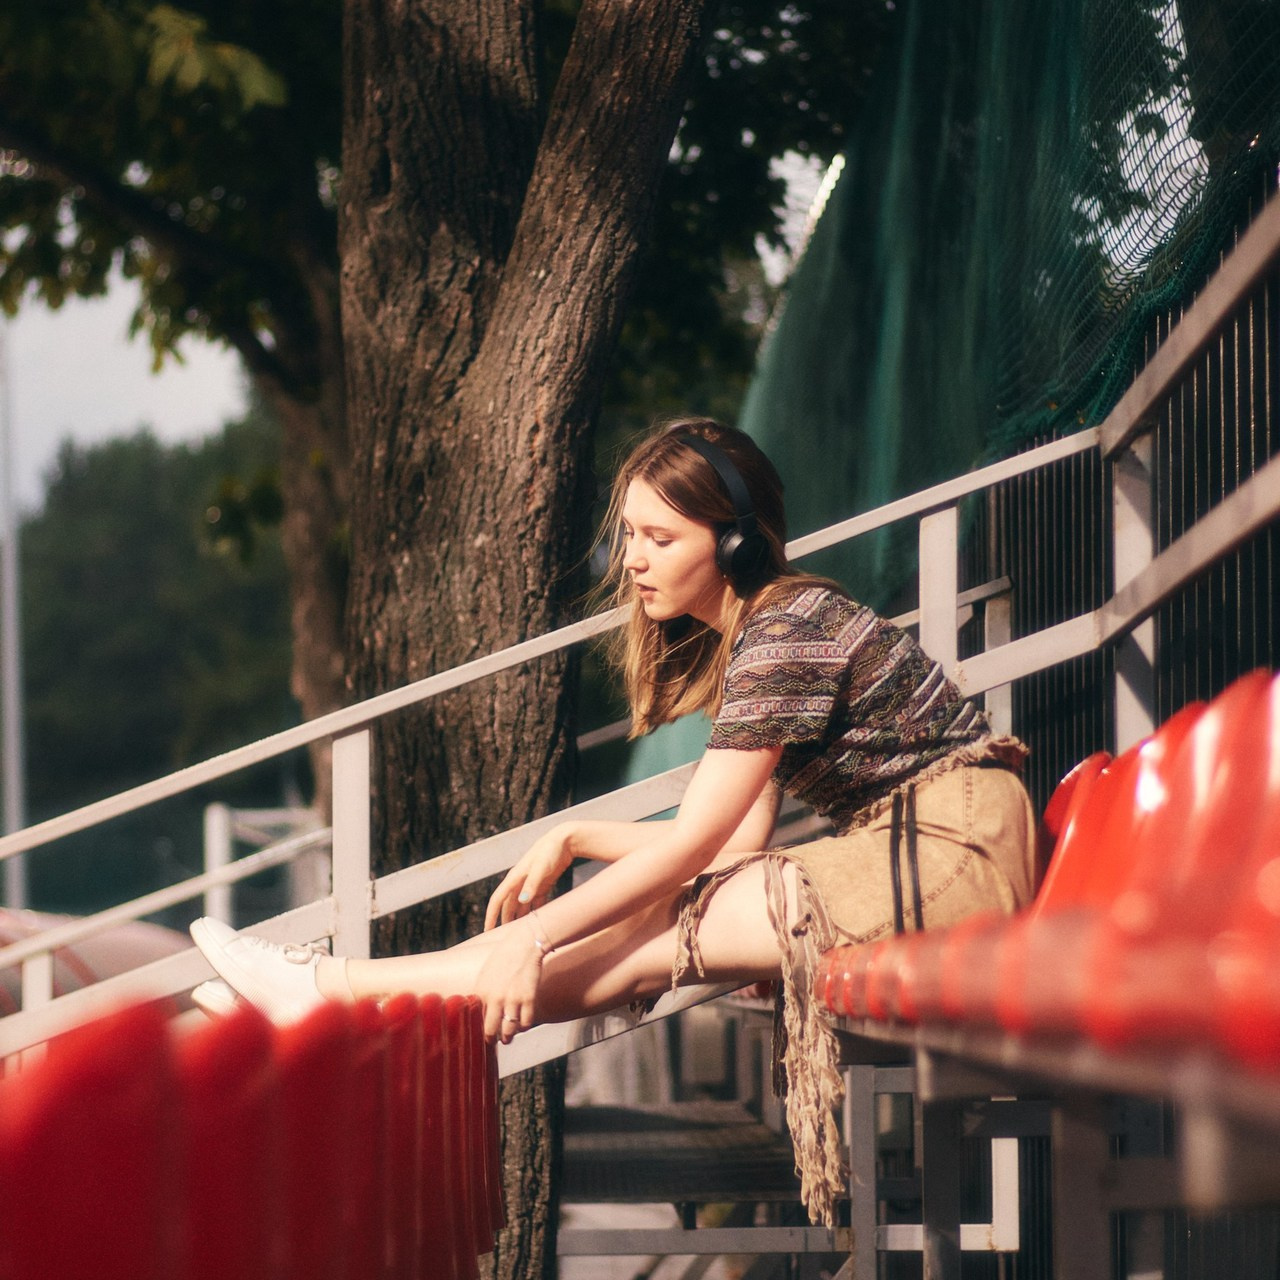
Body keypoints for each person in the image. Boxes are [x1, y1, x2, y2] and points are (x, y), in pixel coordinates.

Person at [189, 418, 1037, 1225]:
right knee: (655, 919)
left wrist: (533, 938)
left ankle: (341, 999)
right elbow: (739, 839)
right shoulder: (766, 631)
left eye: (660, 539)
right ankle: (350, 1007)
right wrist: (576, 836)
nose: (632, 561)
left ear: (734, 542)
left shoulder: (786, 630)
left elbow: (699, 845)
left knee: (664, 924)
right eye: (629, 534)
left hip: (952, 850)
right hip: (924, 844)